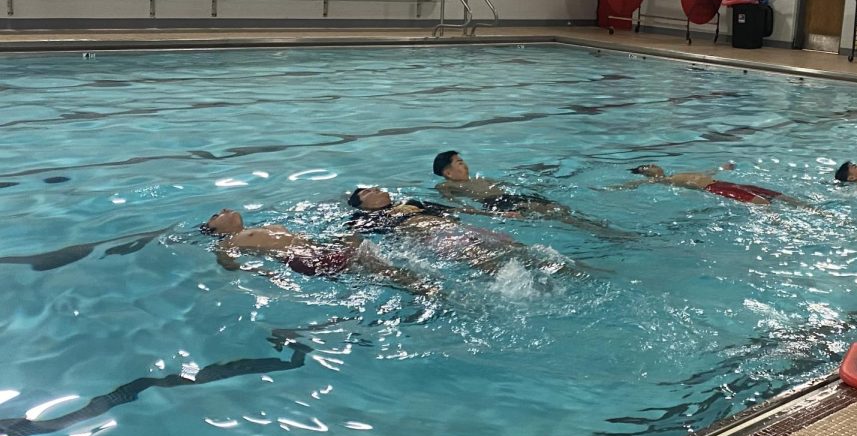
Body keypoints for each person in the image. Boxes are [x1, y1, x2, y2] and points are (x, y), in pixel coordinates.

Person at [346, 187, 588, 276]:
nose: (376, 189)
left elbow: (455, 209)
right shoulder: (366, 219)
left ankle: (569, 272)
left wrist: (497, 214)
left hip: (460, 229)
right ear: (362, 205)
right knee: (489, 263)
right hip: (433, 239)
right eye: (367, 192)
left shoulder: (412, 203)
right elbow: (352, 240)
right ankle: (530, 287)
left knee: (519, 249)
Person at [202, 208, 436, 295]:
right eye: (215, 216)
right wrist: (266, 274)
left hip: (317, 251)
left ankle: (416, 286)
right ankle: (422, 288)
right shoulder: (227, 242)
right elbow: (230, 265)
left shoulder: (263, 227)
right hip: (303, 259)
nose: (223, 210)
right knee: (374, 266)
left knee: (363, 253)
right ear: (213, 230)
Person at [432, 150, 629, 236]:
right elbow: (456, 205)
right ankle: (599, 231)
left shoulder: (480, 179)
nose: (464, 164)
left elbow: (507, 184)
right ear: (447, 172)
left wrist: (540, 188)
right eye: (459, 162)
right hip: (498, 203)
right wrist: (490, 214)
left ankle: (597, 227)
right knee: (552, 213)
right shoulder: (445, 186)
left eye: (463, 160)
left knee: (558, 208)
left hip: (514, 197)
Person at [624, 163, 821, 210]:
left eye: (651, 164)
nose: (653, 166)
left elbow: (706, 174)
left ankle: (813, 209)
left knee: (774, 195)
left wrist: (722, 167)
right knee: (762, 203)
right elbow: (636, 184)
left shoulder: (677, 174)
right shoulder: (662, 180)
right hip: (716, 189)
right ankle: (780, 226)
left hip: (723, 183)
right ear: (648, 173)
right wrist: (618, 188)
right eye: (647, 167)